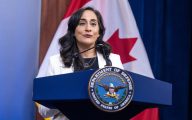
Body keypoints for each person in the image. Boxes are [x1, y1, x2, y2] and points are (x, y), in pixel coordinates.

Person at [37, 6, 124, 120]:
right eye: (82, 23)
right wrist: (65, 97)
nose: (88, 28)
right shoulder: (56, 62)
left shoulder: (113, 60)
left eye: (93, 24)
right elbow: (44, 111)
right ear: (73, 31)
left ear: (99, 32)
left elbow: (122, 100)